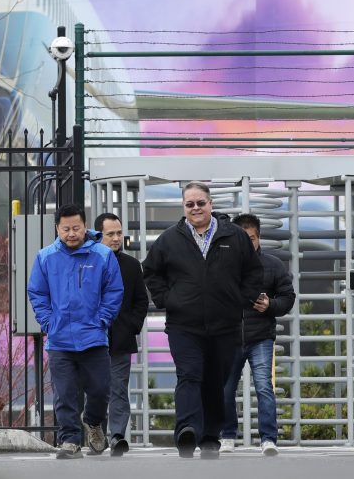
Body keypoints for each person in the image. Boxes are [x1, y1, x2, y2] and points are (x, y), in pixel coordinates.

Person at [142, 182, 263, 460]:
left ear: (210, 204)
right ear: (183, 207)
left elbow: (253, 272)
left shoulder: (235, 236)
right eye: (189, 204)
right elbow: (150, 272)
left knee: (214, 381)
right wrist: (167, 300)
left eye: (200, 203)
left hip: (225, 325)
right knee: (189, 374)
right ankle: (186, 429)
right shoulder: (170, 239)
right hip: (184, 325)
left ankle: (210, 436)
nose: (195, 208)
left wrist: (241, 301)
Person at [28, 203, 123, 460]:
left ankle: (92, 422)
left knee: (101, 390)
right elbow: (37, 292)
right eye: (66, 229)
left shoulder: (102, 255)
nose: (71, 234)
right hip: (60, 339)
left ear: (85, 226)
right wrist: (48, 322)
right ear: (57, 228)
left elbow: (114, 291)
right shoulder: (46, 257)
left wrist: (103, 319)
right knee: (65, 393)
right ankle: (69, 440)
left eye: (76, 228)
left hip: (94, 336)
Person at [220, 213, 296, 457]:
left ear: (259, 238)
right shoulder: (223, 264)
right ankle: (228, 435)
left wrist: (271, 305)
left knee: (264, 387)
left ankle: (268, 439)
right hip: (229, 336)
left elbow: (288, 297)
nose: (247, 244)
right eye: (242, 239)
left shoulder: (273, 265)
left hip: (261, 336)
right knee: (225, 388)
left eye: (251, 239)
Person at [94, 212, 149, 457]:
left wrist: (131, 326)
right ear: (98, 236)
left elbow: (141, 301)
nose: (117, 238)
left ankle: (116, 436)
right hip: (91, 339)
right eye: (111, 234)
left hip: (121, 339)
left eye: (119, 233)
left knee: (118, 389)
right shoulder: (87, 262)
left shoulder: (131, 265)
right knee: (94, 389)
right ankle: (95, 435)